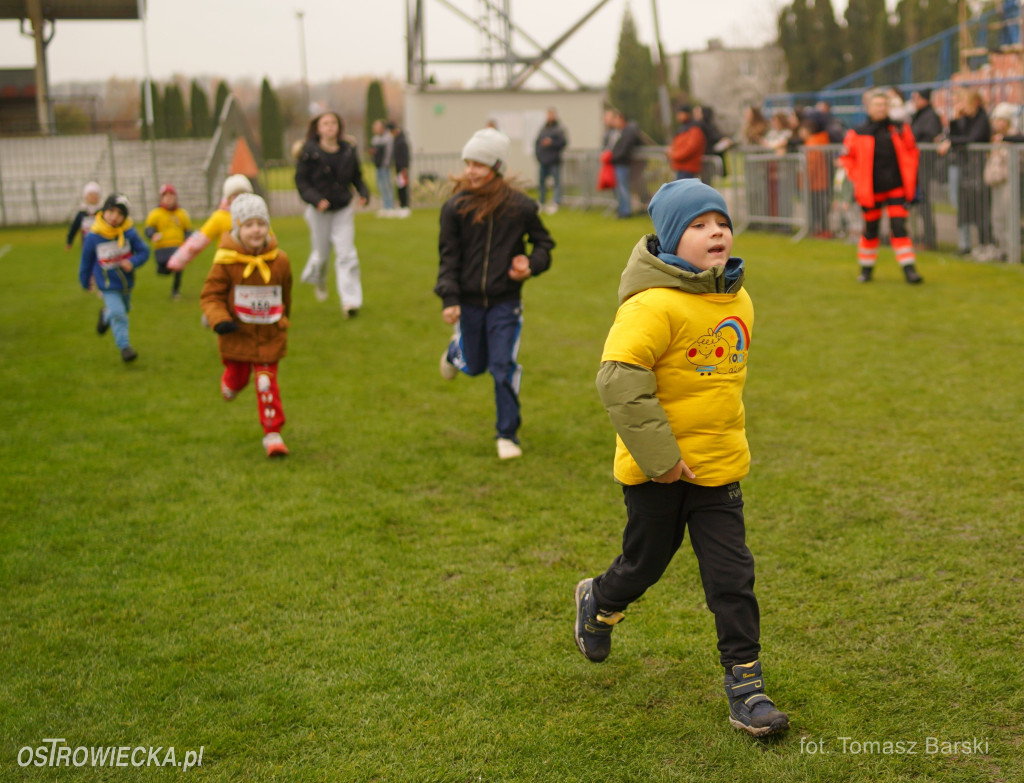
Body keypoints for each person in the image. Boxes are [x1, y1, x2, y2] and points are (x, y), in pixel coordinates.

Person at [575, 178, 789, 739]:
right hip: (658, 473)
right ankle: (599, 600)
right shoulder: (651, 305)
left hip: (718, 469)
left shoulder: (738, 299)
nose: (715, 231)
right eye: (698, 225)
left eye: (720, 221)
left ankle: (747, 688)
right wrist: (663, 459)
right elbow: (619, 380)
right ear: (673, 240)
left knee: (732, 578)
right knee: (644, 563)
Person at [435, 128, 555, 460]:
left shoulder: (521, 207)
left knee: (502, 367)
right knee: (474, 366)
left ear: (496, 166)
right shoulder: (454, 208)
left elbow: (545, 245)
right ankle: (455, 352)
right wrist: (450, 298)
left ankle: (507, 434)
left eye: (479, 164)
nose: (471, 170)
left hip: (506, 303)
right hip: (469, 304)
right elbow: (449, 258)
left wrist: (530, 264)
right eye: (468, 163)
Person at [200, 194, 293, 458]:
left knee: (266, 383)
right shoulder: (225, 261)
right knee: (239, 378)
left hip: (268, 335)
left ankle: (273, 434)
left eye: (261, 224)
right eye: (249, 224)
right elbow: (211, 295)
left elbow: (286, 295)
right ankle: (230, 382)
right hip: (236, 335)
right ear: (238, 228)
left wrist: (284, 318)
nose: (256, 230)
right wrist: (219, 320)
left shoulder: (281, 261)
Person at [838, 89, 923, 284]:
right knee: (871, 229)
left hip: (896, 187)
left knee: (899, 227)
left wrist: (910, 172)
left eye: (884, 105)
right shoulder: (857, 132)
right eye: (877, 105)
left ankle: (909, 270)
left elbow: (912, 151)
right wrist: (856, 177)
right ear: (868, 108)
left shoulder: (899, 129)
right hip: (870, 190)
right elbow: (846, 158)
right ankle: (866, 270)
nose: (881, 108)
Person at [295, 110, 370, 315]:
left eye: (333, 123)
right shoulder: (308, 152)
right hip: (318, 212)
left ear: (339, 127)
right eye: (325, 123)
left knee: (346, 254)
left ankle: (350, 302)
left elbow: (357, 177)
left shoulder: (348, 150)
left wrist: (363, 193)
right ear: (318, 128)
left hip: (343, 209)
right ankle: (319, 281)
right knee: (321, 256)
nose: (330, 127)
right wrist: (316, 199)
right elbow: (301, 181)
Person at [79, 194, 150, 363]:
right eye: (111, 211)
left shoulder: (129, 232)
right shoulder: (93, 236)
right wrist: (85, 281)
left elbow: (144, 251)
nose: (114, 216)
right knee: (119, 314)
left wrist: (132, 262)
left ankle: (105, 316)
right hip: (107, 284)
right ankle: (125, 348)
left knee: (123, 309)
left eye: (120, 214)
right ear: (104, 210)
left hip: (126, 283)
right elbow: (86, 261)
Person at [937, 89, 993, 257]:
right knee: (963, 206)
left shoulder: (982, 118)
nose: (961, 105)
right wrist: (955, 119)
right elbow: (957, 136)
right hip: (968, 168)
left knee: (980, 208)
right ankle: (967, 245)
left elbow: (971, 139)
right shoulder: (967, 119)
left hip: (979, 169)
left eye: (964, 101)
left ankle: (986, 245)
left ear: (974, 101)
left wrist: (951, 141)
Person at [983, 102, 1022, 261]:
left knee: (1009, 217)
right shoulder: (994, 138)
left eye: (1001, 120)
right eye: (996, 119)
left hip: (1010, 181)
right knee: (997, 216)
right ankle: (1002, 250)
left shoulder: (1015, 137)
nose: (998, 123)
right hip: (996, 181)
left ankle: (1013, 252)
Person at [909, 89, 944, 250]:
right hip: (915, 165)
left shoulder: (930, 116)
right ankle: (917, 236)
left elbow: (929, 135)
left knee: (924, 201)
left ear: (923, 99)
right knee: (917, 201)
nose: (913, 102)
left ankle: (929, 240)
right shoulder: (918, 115)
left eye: (915, 98)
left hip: (924, 164)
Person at [143, 183, 192, 299]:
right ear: (161, 198)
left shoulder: (181, 213)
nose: (169, 198)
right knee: (164, 270)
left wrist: (188, 241)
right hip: (162, 247)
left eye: (171, 196)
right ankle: (162, 268)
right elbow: (149, 228)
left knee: (178, 268)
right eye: (166, 196)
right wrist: (152, 235)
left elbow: (187, 229)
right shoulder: (156, 213)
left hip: (178, 246)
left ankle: (175, 291)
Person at [604, 108, 643, 218]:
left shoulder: (628, 131)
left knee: (623, 188)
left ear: (621, 119)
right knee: (620, 188)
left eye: (616, 119)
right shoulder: (621, 132)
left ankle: (626, 211)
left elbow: (624, 149)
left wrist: (614, 157)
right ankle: (622, 209)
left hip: (623, 163)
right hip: (618, 163)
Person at [799, 115, 833, 237]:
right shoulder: (818, 140)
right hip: (820, 181)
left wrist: (805, 181)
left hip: (814, 182)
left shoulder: (812, 143)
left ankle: (819, 231)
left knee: (816, 209)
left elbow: (811, 165)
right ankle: (821, 230)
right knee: (821, 209)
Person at [534, 108, 568, 214]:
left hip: (554, 161)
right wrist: (538, 156)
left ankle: (556, 202)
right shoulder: (543, 129)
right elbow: (536, 143)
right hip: (543, 161)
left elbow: (563, 143)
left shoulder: (559, 129)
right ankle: (542, 202)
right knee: (541, 183)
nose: (550, 116)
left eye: (551, 114)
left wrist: (552, 143)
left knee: (556, 183)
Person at [667, 104, 706, 181]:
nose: (678, 117)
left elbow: (690, 148)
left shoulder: (694, 129)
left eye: (680, 114)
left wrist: (673, 154)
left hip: (688, 168)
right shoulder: (683, 129)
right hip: (680, 167)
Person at [370, 119, 396, 216]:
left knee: (387, 186)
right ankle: (385, 206)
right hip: (377, 166)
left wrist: (386, 164)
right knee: (380, 186)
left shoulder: (388, 138)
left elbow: (389, 153)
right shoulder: (375, 139)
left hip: (385, 166)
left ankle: (390, 206)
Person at [65, 181, 102, 251]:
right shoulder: (82, 212)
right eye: (90, 194)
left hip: (100, 243)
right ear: (86, 196)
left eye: (95, 194)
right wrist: (69, 241)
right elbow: (74, 228)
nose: (93, 197)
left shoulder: (103, 212)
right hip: (86, 243)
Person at [389, 121, 412, 219]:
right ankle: (401, 205)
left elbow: (406, 155)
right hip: (398, 167)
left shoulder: (402, 140)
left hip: (402, 168)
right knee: (399, 186)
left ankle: (405, 206)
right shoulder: (396, 139)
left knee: (403, 187)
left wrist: (405, 167)